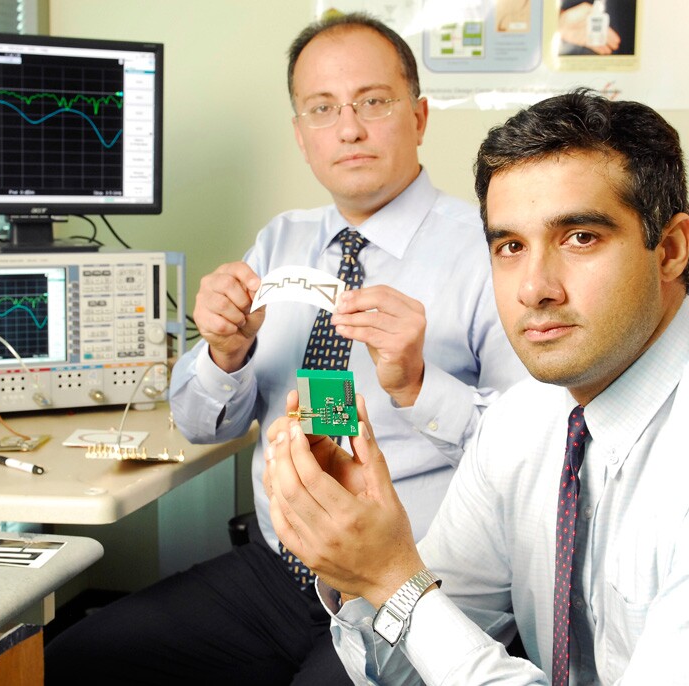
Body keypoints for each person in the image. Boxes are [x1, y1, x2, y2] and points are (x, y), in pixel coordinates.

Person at [264, 88, 689, 684]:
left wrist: (393, 581)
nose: (534, 288)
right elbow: (406, 670)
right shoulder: (527, 416)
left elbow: (414, 610)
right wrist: (351, 557)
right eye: (510, 246)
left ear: (669, 250)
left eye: (580, 237)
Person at [44, 12, 527, 685]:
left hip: (414, 582)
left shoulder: (494, 251)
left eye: (373, 102)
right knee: (65, 664)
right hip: (280, 573)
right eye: (322, 109)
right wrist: (223, 355)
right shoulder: (281, 242)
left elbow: (532, 463)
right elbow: (196, 423)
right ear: (302, 137)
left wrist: (418, 384)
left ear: (418, 118)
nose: (349, 128)